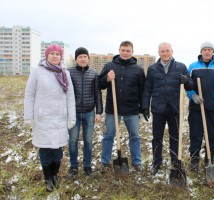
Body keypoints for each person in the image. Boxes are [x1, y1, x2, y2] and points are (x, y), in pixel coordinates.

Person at [24, 44, 76, 192]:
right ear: (47, 55)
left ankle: (55, 176)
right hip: (43, 118)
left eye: (57, 54)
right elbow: (29, 95)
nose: (55, 56)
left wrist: (71, 117)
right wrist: (29, 116)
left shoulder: (65, 73)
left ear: (61, 57)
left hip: (60, 118)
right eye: (52, 53)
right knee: (46, 150)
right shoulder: (37, 72)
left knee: (57, 150)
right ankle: (48, 178)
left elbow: (70, 97)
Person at [142, 42, 193, 175]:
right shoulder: (153, 69)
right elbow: (147, 89)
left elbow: (191, 85)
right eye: (162, 51)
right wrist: (145, 105)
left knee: (175, 137)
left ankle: (175, 162)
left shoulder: (181, 67)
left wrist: (186, 80)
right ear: (159, 53)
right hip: (158, 108)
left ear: (172, 51)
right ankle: (156, 162)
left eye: (167, 51)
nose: (165, 53)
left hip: (174, 108)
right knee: (157, 137)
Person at [98, 41, 145, 172]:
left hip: (132, 109)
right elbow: (100, 85)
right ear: (119, 50)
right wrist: (107, 78)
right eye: (123, 50)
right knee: (109, 135)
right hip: (113, 109)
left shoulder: (138, 70)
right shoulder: (109, 66)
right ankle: (104, 161)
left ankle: (137, 162)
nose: (125, 53)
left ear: (132, 52)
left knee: (134, 136)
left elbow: (142, 91)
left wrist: (142, 109)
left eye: (128, 50)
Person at [186, 41, 214, 172]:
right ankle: (194, 159)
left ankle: (209, 159)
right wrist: (193, 95)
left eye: (210, 49)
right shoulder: (193, 67)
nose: (207, 52)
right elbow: (188, 85)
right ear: (201, 52)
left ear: (213, 52)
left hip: (213, 107)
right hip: (196, 108)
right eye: (204, 49)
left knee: (212, 136)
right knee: (195, 135)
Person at [68, 47, 103, 177]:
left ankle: (87, 166)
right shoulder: (69, 72)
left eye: (85, 57)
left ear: (88, 58)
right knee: (73, 140)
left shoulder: (94, 73)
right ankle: (73, 166)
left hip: (89, 113)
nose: (83, 59)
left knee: (88, 140)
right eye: (80, 57)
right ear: (76, 59)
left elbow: (97, 93)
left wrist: (98, 112)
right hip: (73, 113)